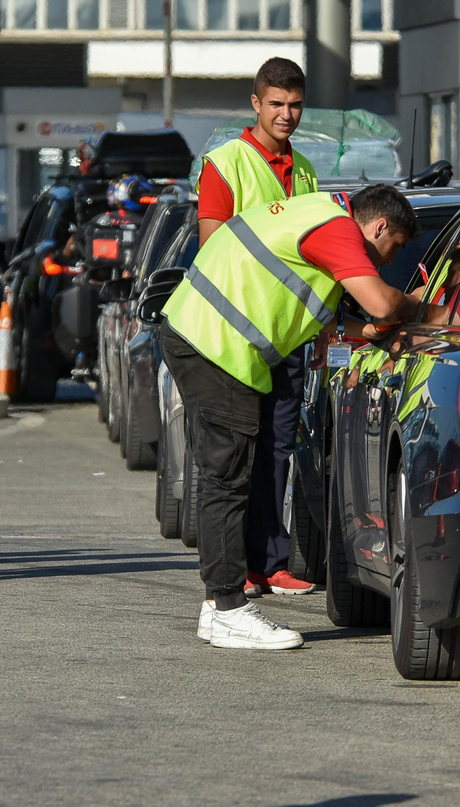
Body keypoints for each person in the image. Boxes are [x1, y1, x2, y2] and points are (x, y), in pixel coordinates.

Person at [161, 184, 419, 650]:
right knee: (228, 479)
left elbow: (322, 313)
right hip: (217, 347)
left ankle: (218, 605)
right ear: (379, 226)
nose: (385, 262)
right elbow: (381, 303)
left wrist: (363, 333)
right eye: (393, 248)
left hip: (202, 335)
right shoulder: (338, 230)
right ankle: (227, 608)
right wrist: (423, 309)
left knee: (228, 476)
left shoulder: (315, 212)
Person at [195, 56, 320, 600]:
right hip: (238, 337)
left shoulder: (308, 171)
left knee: (277, 451)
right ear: (256, 103)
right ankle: (242, 568)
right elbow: (210, 249)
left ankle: (272, 563)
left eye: (294, 105)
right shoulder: (226, 164)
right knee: (240, 455)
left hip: (287, 336)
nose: (286, 114)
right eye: (276, 104)